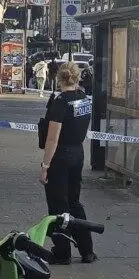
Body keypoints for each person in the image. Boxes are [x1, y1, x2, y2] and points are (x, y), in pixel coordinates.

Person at [39, 63, 97, 264]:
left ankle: (62, 252)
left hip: (61, 156)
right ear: (77, 77)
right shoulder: (83, 99)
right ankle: (87, 250)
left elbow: (52, 139)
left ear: (59, 78)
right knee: (74, 202)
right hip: (78, 153)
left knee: (58, 205)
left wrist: (45, 166)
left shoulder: (61, 103)